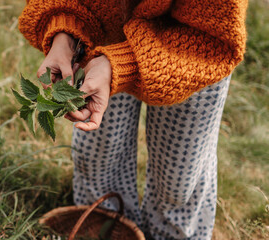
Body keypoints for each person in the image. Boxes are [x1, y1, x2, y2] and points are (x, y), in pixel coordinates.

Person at [18, 0, 247, 239]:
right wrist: (63, 32)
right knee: (97, 156)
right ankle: (109, 230)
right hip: (106, 33)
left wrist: (119, 66)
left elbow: (213, 38)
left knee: (179, 180)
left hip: (195, 52)